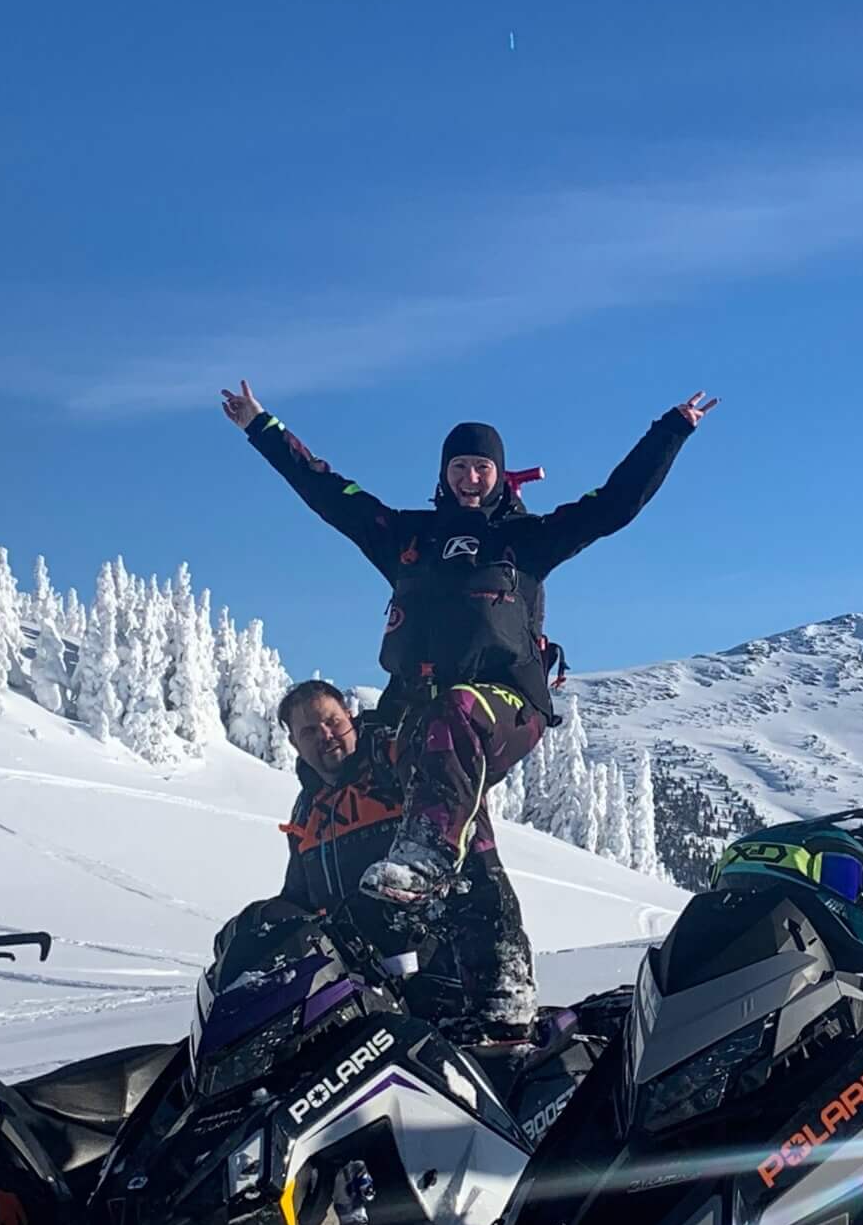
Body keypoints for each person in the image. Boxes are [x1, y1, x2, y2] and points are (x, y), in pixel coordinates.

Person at [222, 383, 711, 939]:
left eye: (482, 467)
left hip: (504, 707)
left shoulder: (527, 540)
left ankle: (425, 855)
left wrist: (669, 430)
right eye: (460, 466)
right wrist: (262, 427)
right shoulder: (407, 538)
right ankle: (442, 956)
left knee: (451, 719)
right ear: (443, 473)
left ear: (500, 474)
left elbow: (614, 504)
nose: (470, 478)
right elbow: (327, 491)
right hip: (419, 713)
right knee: (359, 769)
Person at [256, 676, 537, 1042]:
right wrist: (258, 929)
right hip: (373, 998)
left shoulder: (400, 759)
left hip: (459, 977)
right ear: (294, 743)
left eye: (332, 721)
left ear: (351, 717)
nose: (325, 734)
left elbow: (455, 779)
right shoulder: (309, 811)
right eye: (309, 731)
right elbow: (301, 900)